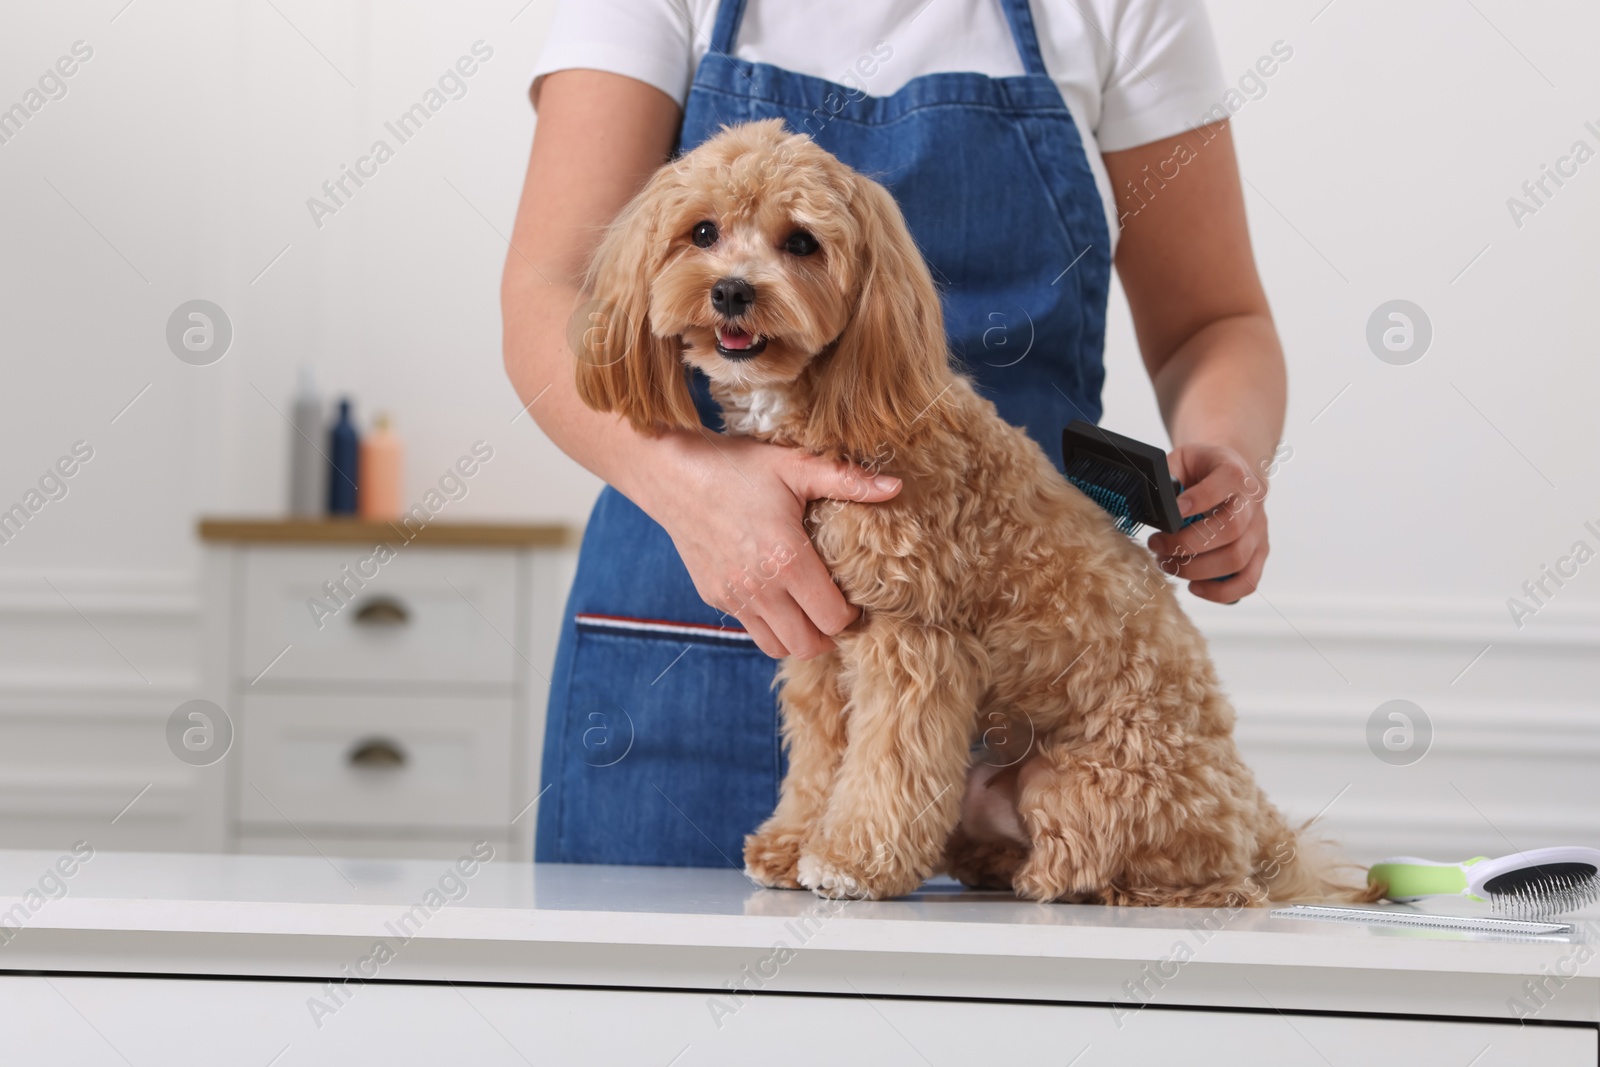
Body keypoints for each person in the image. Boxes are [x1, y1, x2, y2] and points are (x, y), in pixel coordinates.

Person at [502, 0, 1286, 868]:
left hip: (1021, 706)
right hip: (675, 636)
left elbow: (1213, 319)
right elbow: (550, 290)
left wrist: (1226, 460)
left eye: (801, 242)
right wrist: (696, 487)